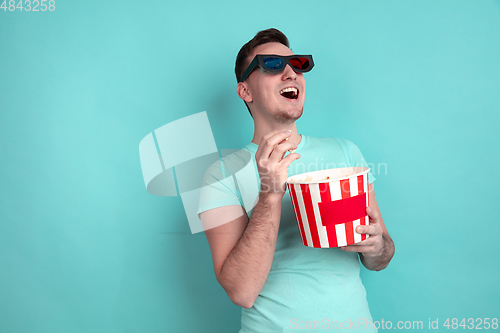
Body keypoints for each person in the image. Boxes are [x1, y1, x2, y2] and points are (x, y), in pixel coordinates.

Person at [198, 28, 395, 332]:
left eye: (298, 64)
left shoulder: (345, 152)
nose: (291, 72)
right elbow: (241, 292)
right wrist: (270, 193)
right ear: (245, 91)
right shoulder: (220, 175)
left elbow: (380, 257)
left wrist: (378, 246)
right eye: (272, 65)